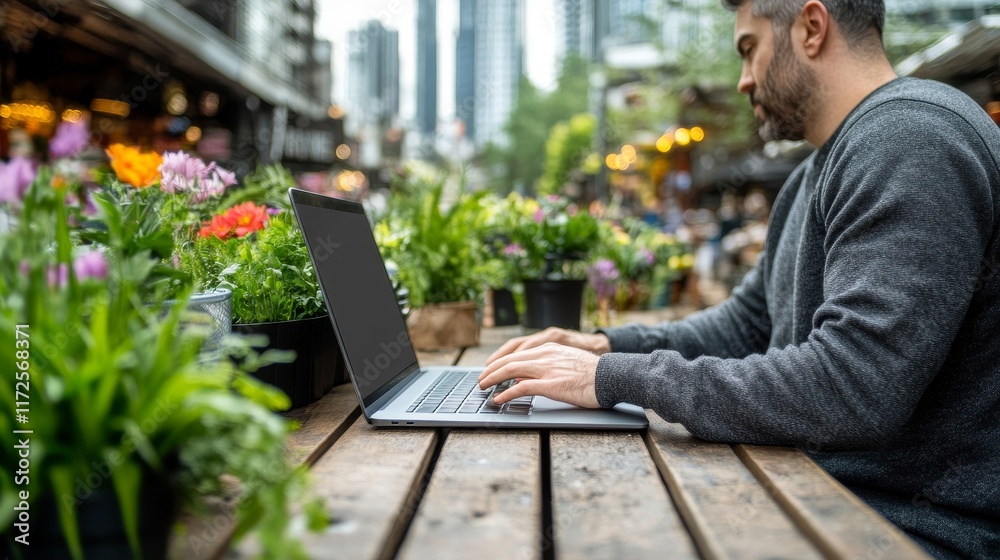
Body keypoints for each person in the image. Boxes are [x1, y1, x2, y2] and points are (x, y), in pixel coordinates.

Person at [478, 1, 1000, 557]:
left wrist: (615, 377)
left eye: (750, 49)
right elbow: (748, 324)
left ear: (812, 26)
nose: (743, 79)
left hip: (910, 532)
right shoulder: (815, 172)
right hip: (819, 495)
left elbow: (855, 386)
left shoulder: (910, 138)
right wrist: (605, 347)